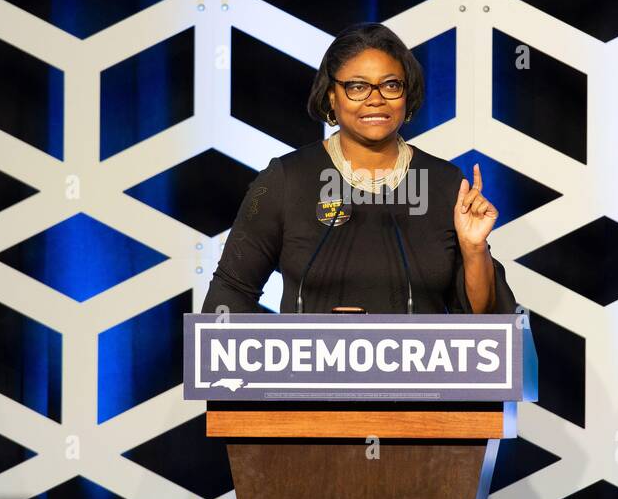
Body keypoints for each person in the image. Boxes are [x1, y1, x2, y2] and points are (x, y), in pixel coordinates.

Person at [202, 21, 518, 315]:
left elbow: (485, 321)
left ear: (406, 94)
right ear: (331, 94)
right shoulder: (287, 180)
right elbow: (230, 292)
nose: (375, 99)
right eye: (357, 87)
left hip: (419, 375)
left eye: (391, 85)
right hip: (307, 373)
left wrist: (475, 249)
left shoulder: (444, 184)